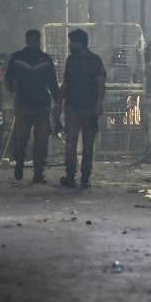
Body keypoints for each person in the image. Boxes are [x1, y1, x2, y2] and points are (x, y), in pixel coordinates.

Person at [5, 30, 62, 184]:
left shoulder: (21, 58)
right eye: (32, 40)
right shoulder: (36, 59)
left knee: (39, 140)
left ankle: (37, 172)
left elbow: (53, 83)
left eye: (36, 40)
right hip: (28, 104)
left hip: (38, 105)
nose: (34, 43)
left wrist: (57, 100)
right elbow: (9, 79)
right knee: (23, 138)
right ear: (28, 40)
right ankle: (20, 163)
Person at [58, 29, 106, 188]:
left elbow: (100, 84)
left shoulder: (93, 60)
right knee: (76, 143)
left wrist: (98, 104)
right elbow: (66, 83)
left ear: (80, 43)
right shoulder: (73, 60)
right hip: (76, 107)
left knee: (82, 143)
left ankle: (82, 176)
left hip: (86, 107)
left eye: (72, 42)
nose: (70, 45)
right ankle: (74, 176)